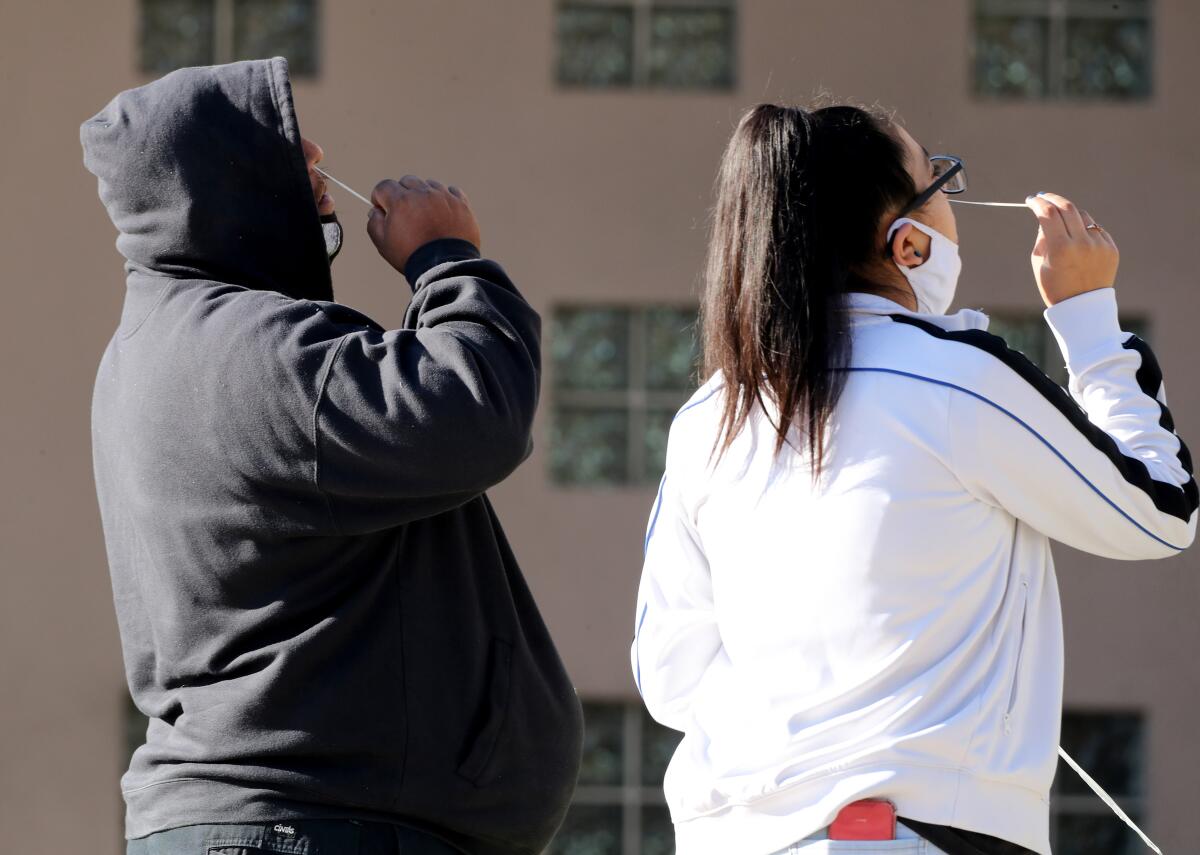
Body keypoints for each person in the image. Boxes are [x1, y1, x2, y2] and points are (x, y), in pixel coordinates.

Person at [631, 103, 1196, 855]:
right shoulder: (958, 378)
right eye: (939, 181)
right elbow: (1159, 510)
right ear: (908, 243)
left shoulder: (709, 414)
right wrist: (1089, 320)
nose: (952, 199)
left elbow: (670, 674)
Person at [81, 57, 582, 855]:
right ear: (221, 179)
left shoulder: (158, 346)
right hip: (314, 823)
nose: (314, 158)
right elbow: (476, 408)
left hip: (289, 819)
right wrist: (447, 259)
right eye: (283, 142)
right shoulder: (247, 349)